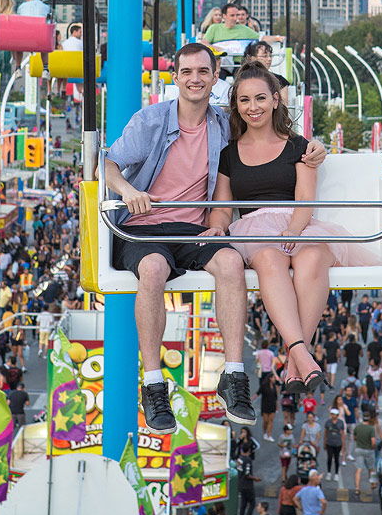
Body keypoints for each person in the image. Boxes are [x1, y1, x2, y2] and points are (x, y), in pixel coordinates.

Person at [104, 42, 324, 433]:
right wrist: (126, 191)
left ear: (214, 77)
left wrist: (316, 147)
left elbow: (268, 135)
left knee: (229, 260)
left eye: (203, 72)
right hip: (145, 226)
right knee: (153, 268)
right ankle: (154, 383)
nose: (195, 79)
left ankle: (234, 373)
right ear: (176, 77)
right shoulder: (151, 120)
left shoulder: (223, 124)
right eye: (187, 72)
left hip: (193, 228)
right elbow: (110, 163)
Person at [212, 64, 342, 393]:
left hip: (295, 222)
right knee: (269, 259)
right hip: (254, 228)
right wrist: (216, 228)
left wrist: (295, 231)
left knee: (314, 256)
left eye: (259, 98)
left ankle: (296, 359)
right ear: (236, 106)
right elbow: (223, 207)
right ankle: (302, 355)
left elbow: (305, 199)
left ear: (274, 101)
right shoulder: (229, 153)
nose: (252, 107)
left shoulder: (300, 146)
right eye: (244, 100)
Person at [243, 39, 290, 104]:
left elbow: (284, 105)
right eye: (264, 56)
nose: (269, 59)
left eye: (270, 56)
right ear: (253, 58)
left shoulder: (280, 81)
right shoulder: (243, 79)